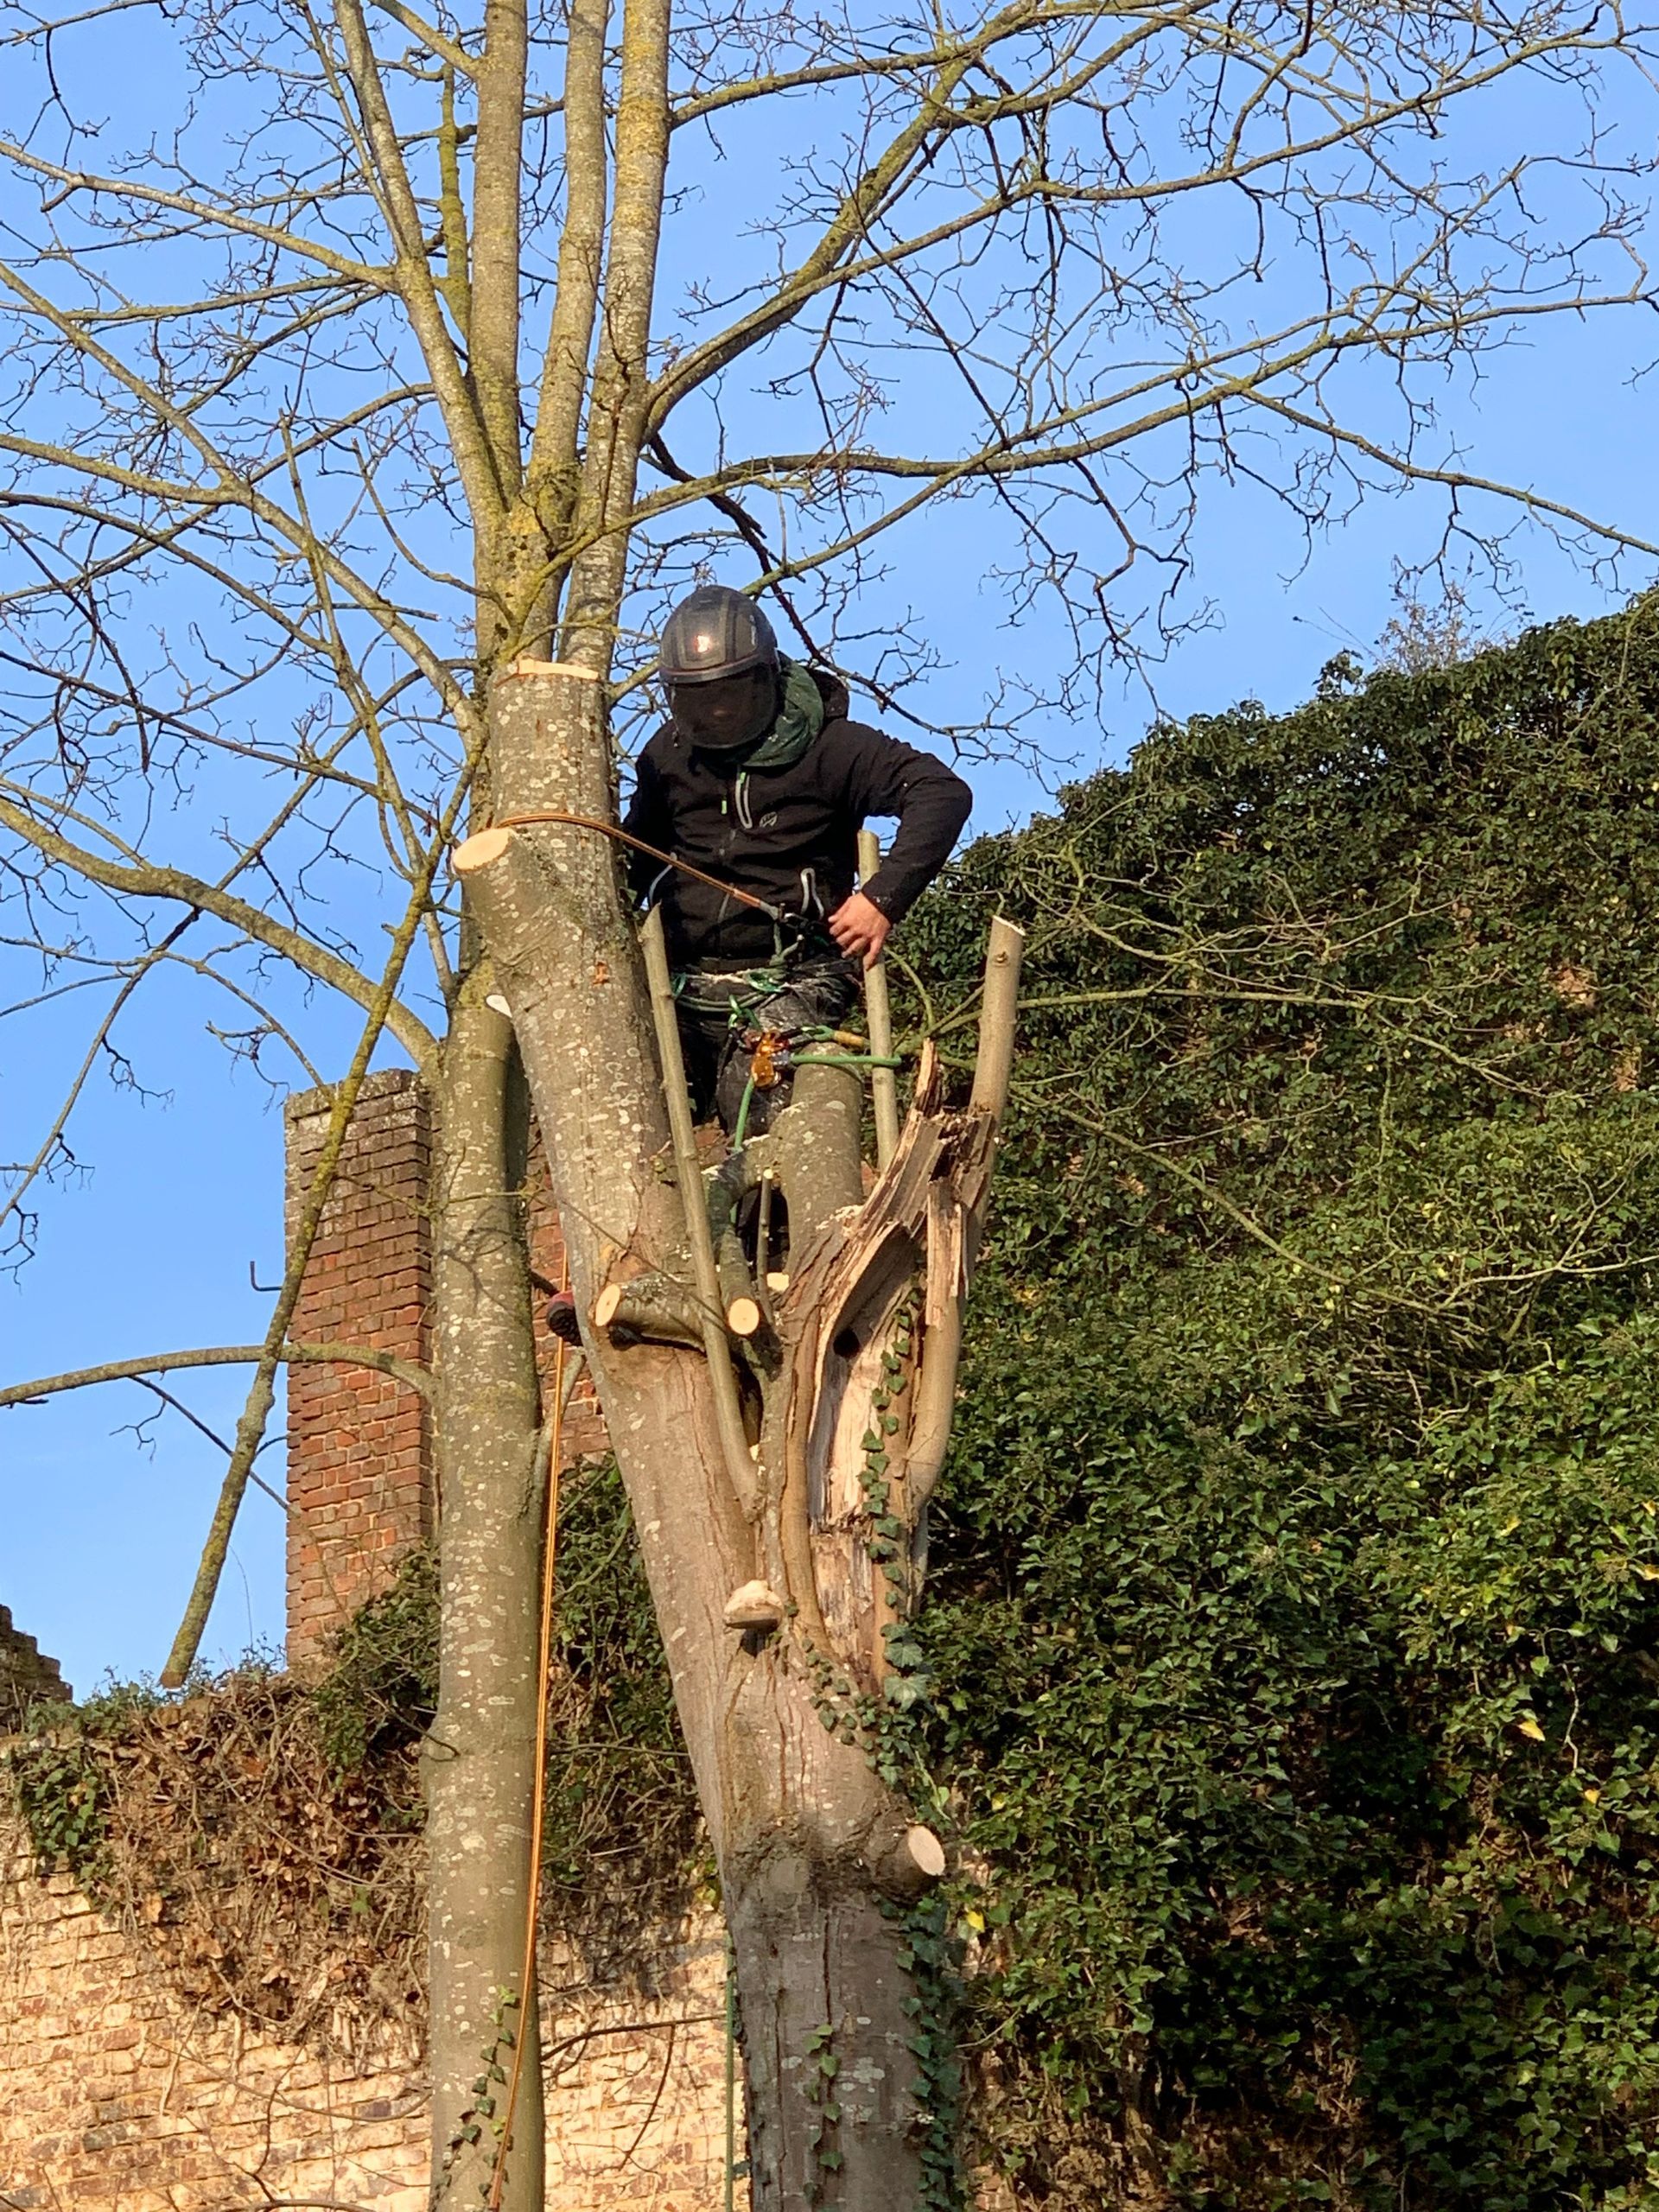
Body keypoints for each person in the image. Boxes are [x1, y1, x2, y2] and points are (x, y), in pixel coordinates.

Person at [624, 583, 973, 1135]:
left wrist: (882, 900)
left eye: (730, 694)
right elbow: (634, 859)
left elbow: (940, 793)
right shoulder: (666, 758)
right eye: (697, 699)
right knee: (629, 1099)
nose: (716, 711)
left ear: (767, 678)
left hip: (797, 976)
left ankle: (769, 1189)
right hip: (682, 981)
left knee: (759, 1093)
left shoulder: (834, 747)